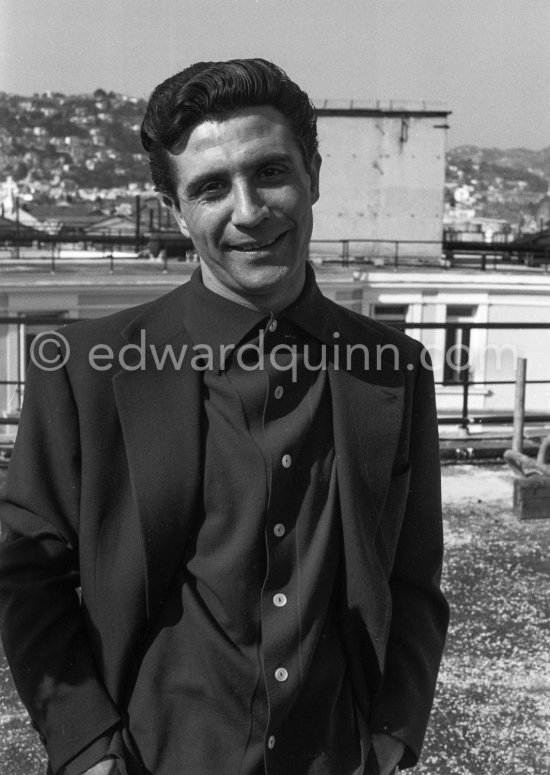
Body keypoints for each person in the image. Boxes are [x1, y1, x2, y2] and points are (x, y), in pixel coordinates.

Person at [0, 59, 449, 775]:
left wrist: (394, 730)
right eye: (211, 187)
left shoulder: (396, 368)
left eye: (270, 172)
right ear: (178, 210)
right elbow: (26, 573)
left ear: (314, 175)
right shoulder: (84, 371)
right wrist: (86, 746)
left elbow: (414, 575)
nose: (248, 210)